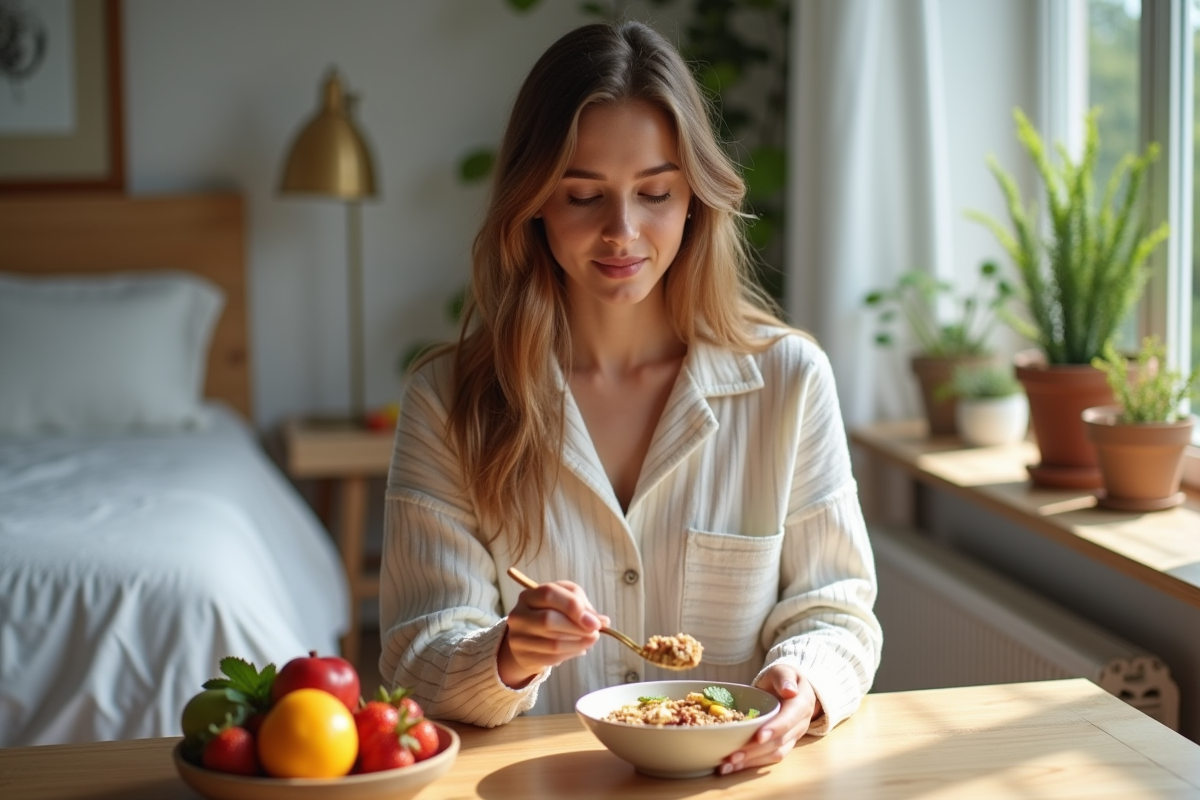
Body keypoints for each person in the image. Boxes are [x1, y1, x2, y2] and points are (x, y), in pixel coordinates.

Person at [380, 19, 881, 774]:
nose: (623, 232)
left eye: (654, 193)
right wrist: (506, 654)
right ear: (535, 204)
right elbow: (416, 654)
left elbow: (835, 606)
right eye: (583, 195)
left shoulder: (789, 382)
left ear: (695, 200)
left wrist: (804, 682)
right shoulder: (446, 402)